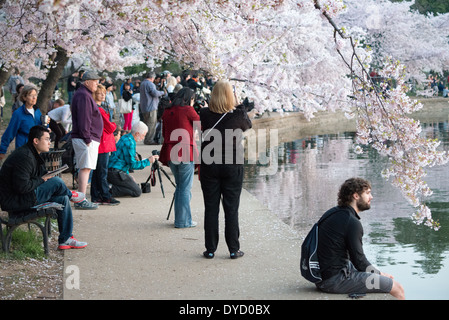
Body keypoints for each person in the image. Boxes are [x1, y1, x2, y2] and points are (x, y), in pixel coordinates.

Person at [315, 177, 405, 300]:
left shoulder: (334, 212)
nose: (371, 197)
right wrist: (380, 274)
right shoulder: (351, 222)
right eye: (367, 193)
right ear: (356, 196)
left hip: (323, 275)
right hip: (335, 280)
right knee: (397, 288)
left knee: (379, 279)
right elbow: (359, 261)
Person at [0, 125, 88, 250]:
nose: (50, 142)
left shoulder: (33, 154)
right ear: (36, 141)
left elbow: (37, 178)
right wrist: (42, 179)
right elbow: (22, 187)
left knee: (62, 199)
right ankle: (72, 195)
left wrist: (45, 177)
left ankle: (65, 239)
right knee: (57, 181)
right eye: (46, 139)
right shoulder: (24, 156)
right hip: (16, 202)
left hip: (24, 197)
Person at [199, 80, 252, 259]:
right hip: (232, 165)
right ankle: (233, 249)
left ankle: (211, 249)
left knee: (211, 208)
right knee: (231, 208)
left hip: (209, 165)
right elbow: (248, 125)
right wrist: (238, 104)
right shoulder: (237, 116)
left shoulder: (204, 114)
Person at [159, 88, 200, 228]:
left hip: (171, 151)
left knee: (180, 187)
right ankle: (182, 221)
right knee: (184, 188)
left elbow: (164, 134)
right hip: (185, 151)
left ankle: (182, 219)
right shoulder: (188, 110)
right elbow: (200, 125)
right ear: (189, 99)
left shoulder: (167, 111)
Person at [70, 70, 103, 210]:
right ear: (87, 82)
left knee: (86, 168)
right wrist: (87, 138)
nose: (97, 84)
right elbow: (85, 119)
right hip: (85, 138)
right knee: (85, 168)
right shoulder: (84, 95)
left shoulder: (84, 94)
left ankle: (81, 198)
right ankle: (81, 199)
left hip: (86, 137)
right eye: (95, 81)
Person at [108, 121, 159, 197]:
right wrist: (148, 161)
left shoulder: (126, 137)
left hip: (113, 170)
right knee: (136, 191)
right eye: (143, 135)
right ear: (137, 133)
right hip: (115, 172)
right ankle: (107, 191)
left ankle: (108, 186)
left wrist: (127, 176)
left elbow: (126, 161)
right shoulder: (130, 143)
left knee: (133, 185)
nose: (143, 138)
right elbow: (133, 165)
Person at [0, 85, 48, 160]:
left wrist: (46, 124)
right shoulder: (18, 114)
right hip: (23, 150)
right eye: (31, 95)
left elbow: (41, 130)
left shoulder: (37, 111)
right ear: (24, 97)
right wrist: (2, 150)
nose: (34, 97)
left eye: (35, 95)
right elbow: (9, 133)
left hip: (37, 150)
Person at [91, 84, 120, 206]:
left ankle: (96, 195)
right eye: (99, 93)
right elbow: (109, 126)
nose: (103, 95)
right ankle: (105, 195)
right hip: (102, 142)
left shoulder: (96, 108)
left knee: (98, 171)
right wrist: (115, 126)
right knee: (102, 171)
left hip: (100, 141)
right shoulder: (99, 109)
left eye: (104, 93)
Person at [139, 71, 166, 145]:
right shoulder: (150, 84)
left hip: (144, 107)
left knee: (147, 123)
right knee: (151, 124)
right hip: (151, 106)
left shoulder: (143, 83)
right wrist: (162, 92)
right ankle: (149, 140)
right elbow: (154, 93)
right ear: (152, 77)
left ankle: (146, 138)